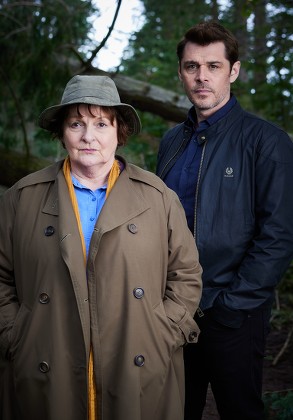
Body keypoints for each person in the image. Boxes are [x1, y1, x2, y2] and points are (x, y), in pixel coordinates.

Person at [0, 74, 202, 420]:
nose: (88, 136)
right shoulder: (22, 197)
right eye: (77, 123)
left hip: (138, 361)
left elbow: (186, 275)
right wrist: (17, 333)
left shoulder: (157, 197)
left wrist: (162, 332)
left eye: (101, 123)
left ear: (118, 131)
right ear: (62, 133)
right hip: (47, 360)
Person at [156, 20, 293, 420]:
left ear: (232, 71)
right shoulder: (172, 141)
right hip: (173, 310)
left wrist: (233, 306)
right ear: (181, 72)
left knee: (240, 411)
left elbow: (279, 235)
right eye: (191, 66)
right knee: (174, 411)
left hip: (232, 312)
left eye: (213, 66)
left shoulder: (266, 141)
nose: (201, 77)